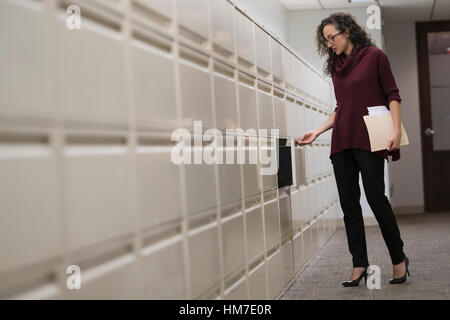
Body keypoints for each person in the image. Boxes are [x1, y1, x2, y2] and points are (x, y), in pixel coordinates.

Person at [294, 12, 410, 287]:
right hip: (342, 141)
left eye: (332, 37)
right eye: (326, 40)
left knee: (376, 199)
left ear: (347, 31)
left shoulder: (375, 56)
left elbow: (393, 95)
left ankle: (399, 259)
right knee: (349, 205)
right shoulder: (337, 66)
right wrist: (318, 131)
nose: (329, 43)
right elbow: (343, 107)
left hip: (369, 137)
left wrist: (395, 129)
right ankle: (359, 263)